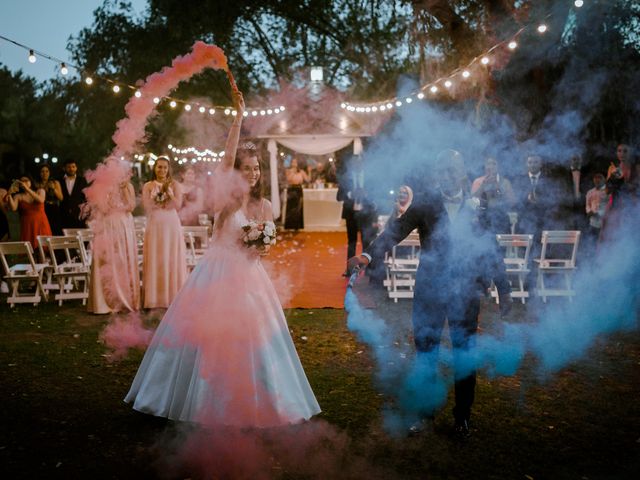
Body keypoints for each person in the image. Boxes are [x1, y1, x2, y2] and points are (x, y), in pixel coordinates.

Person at [125, 89, 320, 427]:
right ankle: (201, 403)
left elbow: (264, 245)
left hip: (251, 277)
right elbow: (227, 160)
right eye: (246, 168)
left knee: (256, 340)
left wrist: (260, 247)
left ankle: (260, 401)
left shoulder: (265, 206)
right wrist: (238, 119)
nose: (253, 173)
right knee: (206, 338)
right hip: (217, 274)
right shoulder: (226, 201)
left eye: (256, 168)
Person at [349, 149, 511, 438]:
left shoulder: (479, 206)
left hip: (466, 292)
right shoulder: (425, 203)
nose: (446, 176)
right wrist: (367, 257)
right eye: (441, 171)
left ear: (462, 173)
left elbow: (492, 248)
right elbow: (394, 231)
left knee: (464, 354)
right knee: (426, 353)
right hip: (430, 290)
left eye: (452, 170)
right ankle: (424, 413)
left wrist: (504, 288)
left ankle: (462, 417)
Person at [88, 181, 140, 314]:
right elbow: (99, 207)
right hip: (105, 225)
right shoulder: (103, 184)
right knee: (106, 259)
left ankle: (123, 299)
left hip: (122, 224)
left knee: (122, 258)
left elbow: (131, 206)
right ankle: (104, 300)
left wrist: (116, 205)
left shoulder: (126, 185)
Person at [141, 157, 187, 309]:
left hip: (171, 223)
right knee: (156, 256)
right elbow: (146, 205)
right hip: (155, 223)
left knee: (170, 256)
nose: (162, 170)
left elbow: (178, 205)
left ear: (168, 169)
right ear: (154, 168)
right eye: (159, 167)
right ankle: (154, 298)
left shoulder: (175, 185)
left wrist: (169, 193)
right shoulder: (148, 185)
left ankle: (173, 296)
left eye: (164, 167)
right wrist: (157, 200)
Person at [337, 155, 378, 276]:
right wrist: (350, 194)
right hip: (351, 214)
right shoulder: (346, 178)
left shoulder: (370, 178)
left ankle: (368, 270)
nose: (357, 165)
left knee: (367, 242)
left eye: (360, 163)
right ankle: (349, 270)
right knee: (352, 242)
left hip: (366, 214)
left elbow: (377, 195)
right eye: (355, 163)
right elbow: (339, 197)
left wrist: (367, 195)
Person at [5, 175, 52, 248]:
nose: (24, 183)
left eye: (26, 180)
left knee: (43, 248)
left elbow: (41, 200)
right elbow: (13, 208)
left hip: (40, 222)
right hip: (27, 224)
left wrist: (27, 189)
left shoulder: (40, 191)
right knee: (30, 250)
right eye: (22, 181)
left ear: (31, 181)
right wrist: (9, 193)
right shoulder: (18, 196)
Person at [470, 157, 515, 234]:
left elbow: (512, 202)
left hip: (501, 218)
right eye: (488, 164)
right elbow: (472, 201)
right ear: (485, 166)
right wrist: (483, 185)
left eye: (494, 163)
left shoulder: (505, 182)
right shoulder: (478, 181)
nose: (491, 166)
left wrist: (498, 188)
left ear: (498, 166)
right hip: (482, 218)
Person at [60, 160, 88, 229]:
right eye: (69, 167)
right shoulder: (59, 180)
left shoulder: (82, 180)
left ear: (76, 168)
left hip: (78, 215)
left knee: (78, 237)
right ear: (64, 168)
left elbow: (86, 197)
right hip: (62, 214)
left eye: (73, 167)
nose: (71, 169)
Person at [36, 164, 63, 235]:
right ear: (39, 173)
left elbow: (61, 198)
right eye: (42, 171)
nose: (44, 173)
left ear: (50, 172)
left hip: (54, 208)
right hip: (42, 209)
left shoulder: (55, 182)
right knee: (44, 230)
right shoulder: (37, 184)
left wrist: (53, 188)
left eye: (47, 171)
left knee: (55, 230)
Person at [584, 173, 607, 254]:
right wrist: (589, 211)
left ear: (603, 181)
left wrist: (600, 213)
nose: (597, 183)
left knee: (602, 243)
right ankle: (591, 258)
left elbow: (608, 205)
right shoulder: (590, 192)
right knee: (592, 242)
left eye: (598, 181)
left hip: (603, 221)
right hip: (593, 222)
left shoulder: (607, 192)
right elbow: (587, 204)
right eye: (595, 182)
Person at [284, 157, 309, 230]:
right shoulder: (288, 171)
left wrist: (309, 171)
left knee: (298, 208)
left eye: (295, 162)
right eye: (293, 162)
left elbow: (307, 180)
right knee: (291, 207)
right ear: (291, 163)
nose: (294, 164)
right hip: (291, 189)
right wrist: (292, 172)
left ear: (297, 164)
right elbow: (288, 179)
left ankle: (297, 226)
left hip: (298, 189)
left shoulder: (301, 171)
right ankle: (289, 226)